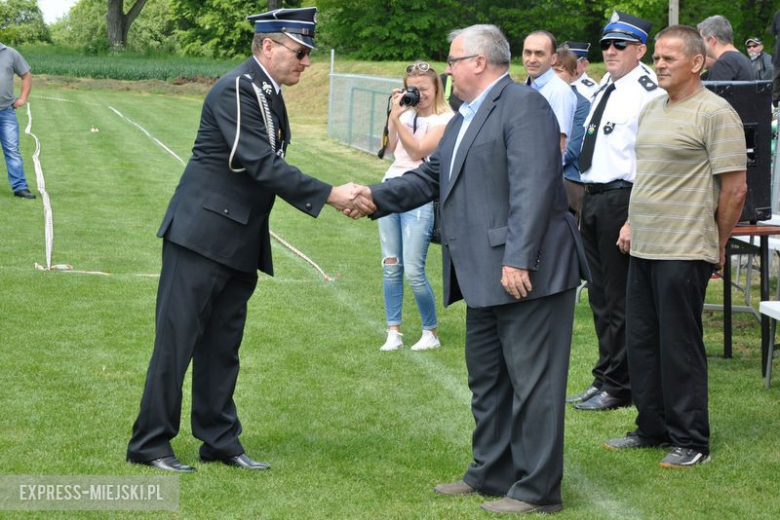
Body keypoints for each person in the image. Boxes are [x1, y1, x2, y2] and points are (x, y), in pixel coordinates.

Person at [351, 24, 587, 515]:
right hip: (482, 275)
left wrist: (518, 257)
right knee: (488, 379)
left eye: (453, 60)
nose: (447, 69)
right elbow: (430, 177)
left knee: (534, 385)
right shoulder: (465, 117)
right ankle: (490, 471)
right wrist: (370, 197)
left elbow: (535, 187)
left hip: (527, 272)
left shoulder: (524, 107)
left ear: (480, 61)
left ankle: (537, 489)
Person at [126, 7, 363, 473]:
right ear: (268, 45)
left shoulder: (265, 90)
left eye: (308, 53)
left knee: (222, 346)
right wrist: (332, 195)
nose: (307, 62)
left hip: (237, 240)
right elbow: (260, 162)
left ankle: (218, 439)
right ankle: (150, 443)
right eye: (300, 52)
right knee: (176, 343)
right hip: (201, 236)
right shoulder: (239, 87)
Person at [606, 25, 746, 468]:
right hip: (644, 245)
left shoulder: (716, 113)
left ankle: (691, 441)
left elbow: (735, 189)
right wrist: (630, 221)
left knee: (679, 345)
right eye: (658, 58)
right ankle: (652, 428)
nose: (660, 65)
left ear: (697, 62)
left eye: (669, 58)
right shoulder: (652, 109)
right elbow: (647, 177)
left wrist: (717, 244)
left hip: (684, 248)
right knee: (643, 341)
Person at [567, 11, 665, 412]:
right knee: (600, 296)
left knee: (621, 301)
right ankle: (605, 374)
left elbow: (650, 161)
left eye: (619, 45)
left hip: (622, 199)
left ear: (640, 50)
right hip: (593, 197)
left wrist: (633, 218)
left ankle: (621, 385)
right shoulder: (605, 85)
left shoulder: (648, 92)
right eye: (606, 44)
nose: (610, 51)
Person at [377, 62, 453, 352]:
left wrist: (398, 119)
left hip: (419, 194)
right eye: (413, 89)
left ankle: (429, 331)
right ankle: (393, 330)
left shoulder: (446, 118)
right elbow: (391, 146)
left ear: (436, 88)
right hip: (391, 187)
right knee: (390, 265)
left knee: (413, 270)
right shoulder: (404, 114)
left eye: (423, 89)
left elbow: (418, 150)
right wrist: (394, 113)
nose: (418, 95)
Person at [523, 31, 577, 154]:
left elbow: (559, 145)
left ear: (553, 58)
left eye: (539, 54)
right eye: (527, 53)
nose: (532, 59)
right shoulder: (525, 88)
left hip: (541, 171)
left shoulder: (560, 92)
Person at [554, 47, 591, 218]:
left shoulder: (581, 104)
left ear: (573, 74)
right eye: (550, 70)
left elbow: (571, 150)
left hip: (566, 177)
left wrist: (541, 167)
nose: (553, 76)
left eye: (559, 71)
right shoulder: (537, 98)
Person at [0, 42, 34, 199]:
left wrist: (22, 99)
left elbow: (26, 74)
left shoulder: (10, 53)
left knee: (12, 150)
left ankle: (20, 187)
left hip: (6, 112)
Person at [697, 15, 755, 81]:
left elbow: (713, 91)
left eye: (702, 40)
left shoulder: (724, 64)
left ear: (712, 40)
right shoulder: (744, 59)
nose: (701, 45)